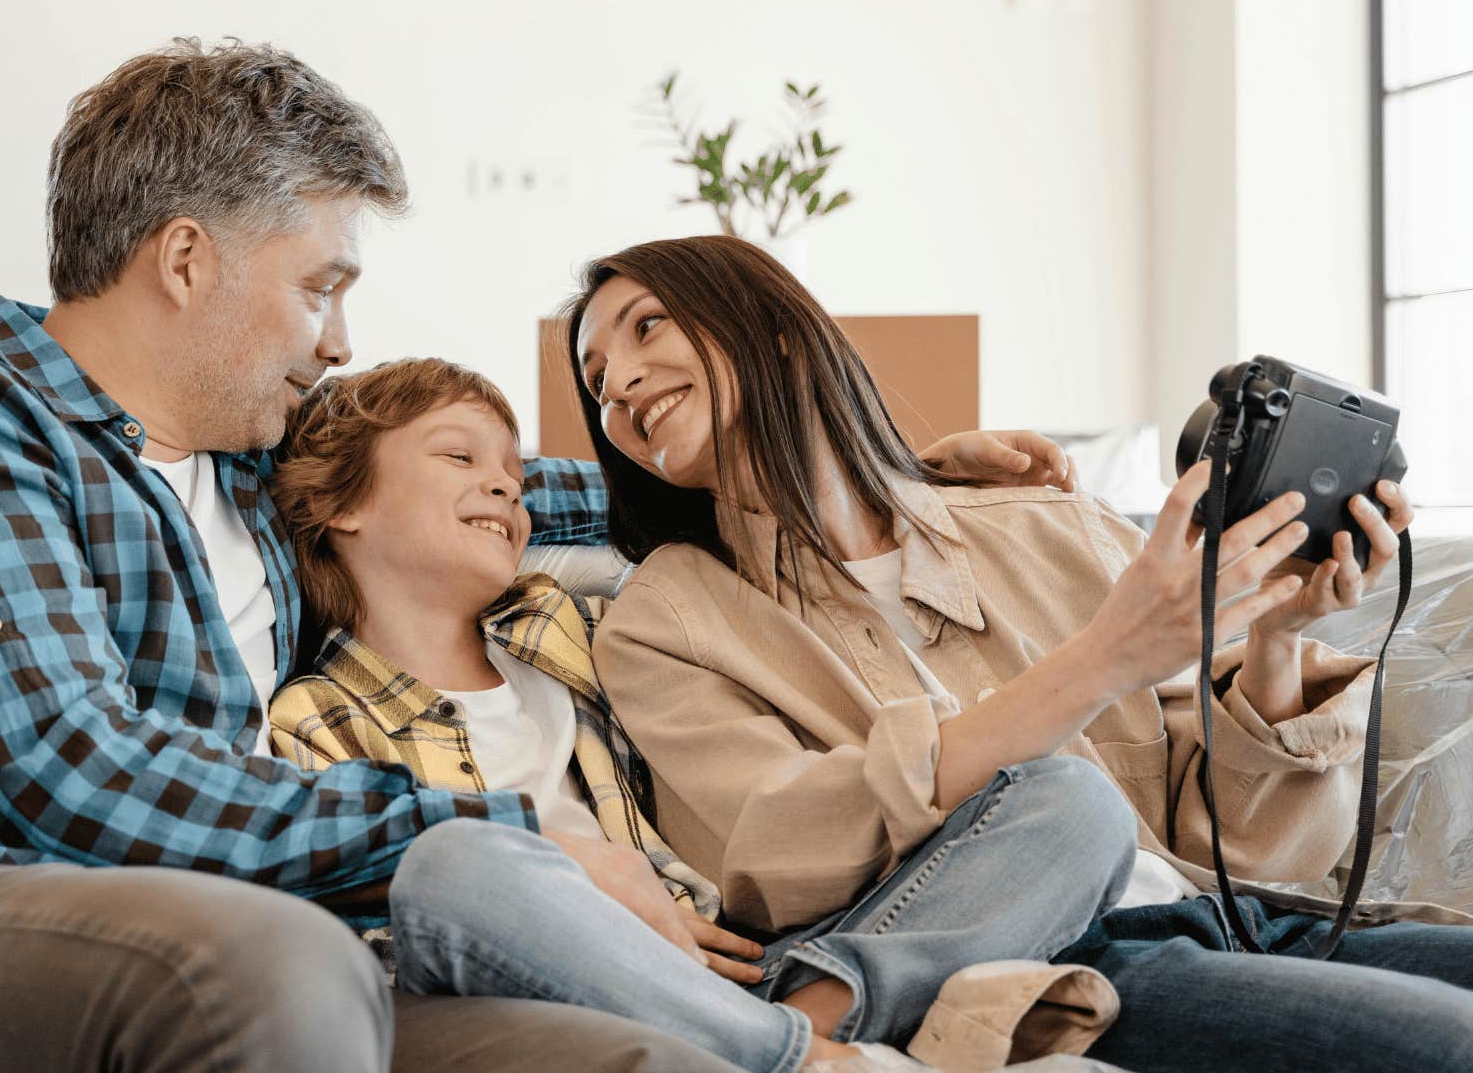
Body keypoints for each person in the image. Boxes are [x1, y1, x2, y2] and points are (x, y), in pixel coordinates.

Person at [0, 41, 746, 1073]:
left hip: (253, 951)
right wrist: (507, 840)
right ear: (184, 260)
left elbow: (509, 497)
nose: (342, 340)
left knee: (635, 1059)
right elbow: (72, 777)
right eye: (320, 287)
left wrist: (790, 465)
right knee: (282, 967)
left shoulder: (265, 476)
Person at [568, 234, 1473, 1073]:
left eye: (646, 328)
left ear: (776, 325)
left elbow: (1258, 854)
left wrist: (1273, 635)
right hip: (1043, 952)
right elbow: (772, 848)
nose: (616, 386)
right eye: (596, 378)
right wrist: (1102, 659)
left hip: (1231, 918)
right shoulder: (664, 617)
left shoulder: (1043, 524)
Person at [262, 357, 1129, 1072]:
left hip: (762, 959)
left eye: (515, 476)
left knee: (1074, 803)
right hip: (569, 982)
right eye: (460, 459)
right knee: (451, 866)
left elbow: (712, 501)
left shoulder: (585, 628)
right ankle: (820, 1058)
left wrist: (892, 472)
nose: (502, 487)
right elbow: (384, 927)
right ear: (340, 504)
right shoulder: (314, 718)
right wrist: (570, 887)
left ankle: (816, 1028)